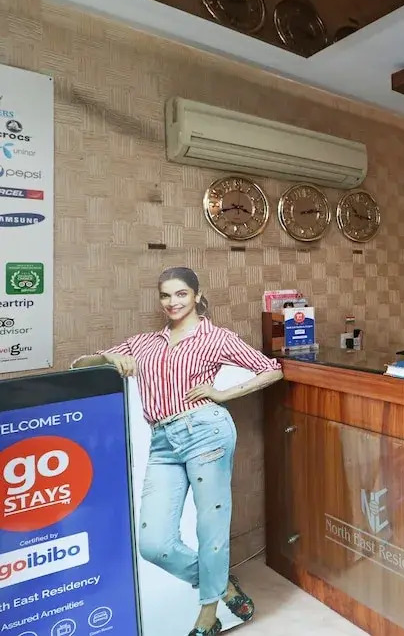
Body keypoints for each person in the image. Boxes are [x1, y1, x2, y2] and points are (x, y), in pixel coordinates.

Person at [72, 267, 283, 636]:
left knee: (210, 528)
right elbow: (79, 365)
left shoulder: (215, 337)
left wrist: (222, 394)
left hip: (205, 431)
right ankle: (222, 585)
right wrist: (107, 360)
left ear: (197, 296)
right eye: (166, 295)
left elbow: (272, 370)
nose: (173, 302)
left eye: (181, 294)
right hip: (163, 441)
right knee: (154, 543)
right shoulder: (143, 343)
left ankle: (208, 614)